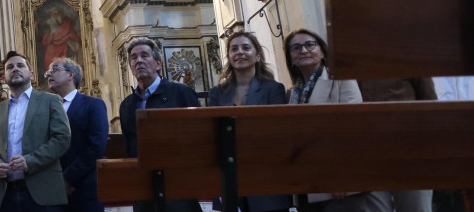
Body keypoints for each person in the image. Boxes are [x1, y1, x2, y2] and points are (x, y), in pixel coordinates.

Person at [284, 30, 392, 212]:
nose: (303, 50)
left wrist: (340, 177)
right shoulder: (293, 93)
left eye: (310, 45)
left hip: (338, 183)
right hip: (307, 182)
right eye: (296, 48)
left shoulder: (341, 79)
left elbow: (354, 130)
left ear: (323, 53)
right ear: (291, 58)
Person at [206, 32, 289, 212]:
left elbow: (276, 132)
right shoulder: (217, 93)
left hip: (265, 175)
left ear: (257, 55)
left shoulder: (273, 89)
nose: (240, 52)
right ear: (229, 56)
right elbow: (213, 135)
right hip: (229, 176)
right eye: (234, 49)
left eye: (246, 47)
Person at [0, 51, 71, 212]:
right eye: (10, 67)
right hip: (7, 194)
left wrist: (29, 161)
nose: (15, 69)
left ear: (31, 74)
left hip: (44, 194)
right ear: (3, 78)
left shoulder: (50, 100)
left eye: (20, 65)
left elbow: (62, 138)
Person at [118, 37, 200, 212]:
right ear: (131, 67)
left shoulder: (181, 93)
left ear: (157, 63)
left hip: (178, 185)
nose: (138, 60)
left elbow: (198, 137)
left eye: (144, 55)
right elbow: (130, 147)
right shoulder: (126, 105)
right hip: (144, 189)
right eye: (134, 57)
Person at [358, 77, 437, 212]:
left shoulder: (410, 57)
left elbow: (430, 104)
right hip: (367, 150)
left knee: (416, 206)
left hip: (409, 147)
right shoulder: (351, 61)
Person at [44, 58, 107, 212]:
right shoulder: (45, 109)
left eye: (55, 69)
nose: (49, 75)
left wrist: (67, 178)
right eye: (48, 72)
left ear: (71, 74)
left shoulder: (93, 104)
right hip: (50, 191)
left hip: (84, 189)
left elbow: (96, 146)